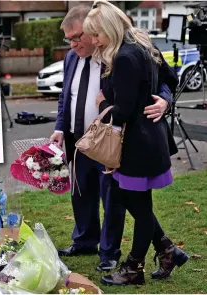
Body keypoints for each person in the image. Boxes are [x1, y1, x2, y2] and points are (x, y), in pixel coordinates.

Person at [50, 5, 174, 272]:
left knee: (114, 197)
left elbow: (162, 80)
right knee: (81, 192)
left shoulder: (119, 54)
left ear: (98, 29)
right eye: (68, 39)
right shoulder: (72, 58)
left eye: (78, 37)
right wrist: (61, 127)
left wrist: (164, 100)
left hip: (113, 139)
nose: (73, 44)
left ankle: (109, 253)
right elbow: (66, 96)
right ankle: (84, 241)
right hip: (77, 138)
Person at [82, 0, 188, 285]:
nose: (93, 40)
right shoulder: (142, 43)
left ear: (109, 28)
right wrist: (163, 96)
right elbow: (170, 77)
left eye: (96, 34)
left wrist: (105, 103)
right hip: (146, 140)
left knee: (139, 207)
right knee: (132, 201)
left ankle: (134, 268)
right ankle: (168, 250)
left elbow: (125, 111)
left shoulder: (126, 55)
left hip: (135, 144)